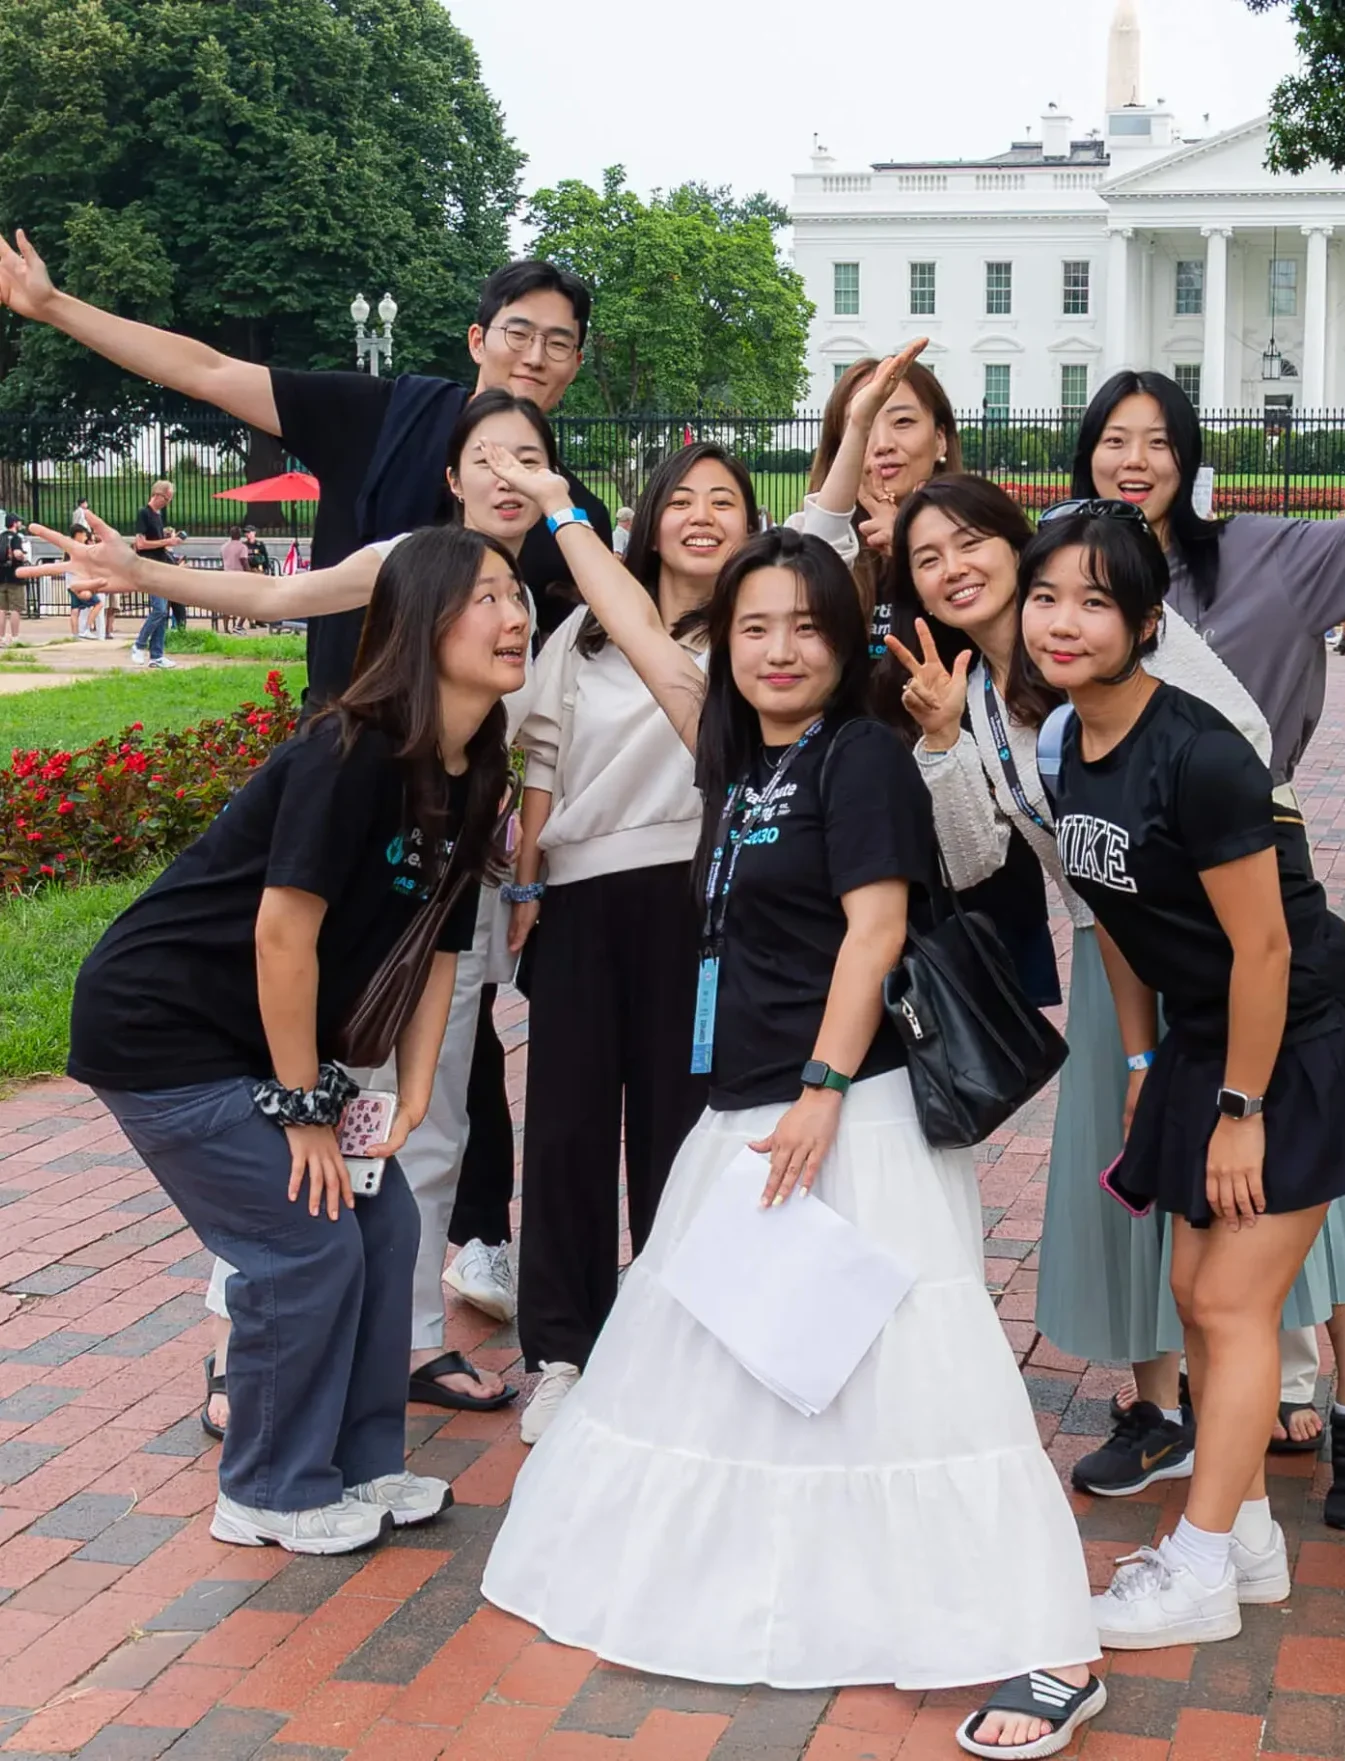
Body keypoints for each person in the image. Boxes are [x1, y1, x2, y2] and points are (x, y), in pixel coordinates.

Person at [475, 481, 1106, 1757]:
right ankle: (794, 1597)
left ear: (844, 639)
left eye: (804, 628)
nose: (776, 649)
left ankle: (1053, 1648)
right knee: (734, 1366)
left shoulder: (859, 757)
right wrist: (561, 518)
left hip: (848, 1113)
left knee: (920, 1384)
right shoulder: (737, 751)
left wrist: (823, 1090)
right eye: (753, 628)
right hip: (744, 1110)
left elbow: (875, 928)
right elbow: (643, 633)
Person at [37, 391, 559, 1419]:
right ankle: (256, 1374)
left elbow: (470, 877)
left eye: (531, 457)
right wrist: (139, 571)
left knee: (415, 1151)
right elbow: (284, 602)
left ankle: (393, 1371)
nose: (509, 474)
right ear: (450, 477)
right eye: (486, 456)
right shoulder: (404, 583)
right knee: (294, 1196)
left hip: (421, 901)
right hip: (304, 933)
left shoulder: (544, 591)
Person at [1071, 368, 1345, 1509]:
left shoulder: (1268, 559)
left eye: (1156, 441)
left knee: (1300, 1162)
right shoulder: (1069, 575)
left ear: (1189, 457)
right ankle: (1173, 1407)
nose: (1133, 460)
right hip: (1129, 910)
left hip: (1249, 897)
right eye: (1112, 440)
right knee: (1163, 1174)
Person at [67, 523, 529, 1553]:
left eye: (517, 597)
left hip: (259, 1045)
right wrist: (305, 1108)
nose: (515, 617)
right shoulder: (351, 750)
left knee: (387, 1227)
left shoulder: (473, 770)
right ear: (418, 623)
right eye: (486, 597)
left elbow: (440, 946)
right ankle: (267, 1489)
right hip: (166, 1028)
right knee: (301, 1243)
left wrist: (410, 1093)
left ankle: (359, 1468)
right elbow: (285, 932)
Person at [1022, 503, 1345, 1653]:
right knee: (1198, 1299)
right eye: (1046, 595)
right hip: (1209, 1040)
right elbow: (1121, 921)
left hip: (1299, 1041)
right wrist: (1150, 1061)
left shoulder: (1201, 753)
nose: (1063, 622)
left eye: (1096, 602)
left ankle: (1198, 1569)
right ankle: (1242, 1538)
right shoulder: (1065, 745)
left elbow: (1266, 947)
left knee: (1233, 1303)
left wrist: (1242, 1112)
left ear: (1148, 625)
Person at [886, 475, 1276, 1501]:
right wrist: (936, 743)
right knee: (1138, 1176)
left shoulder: (1099, 618)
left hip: (1211, 934)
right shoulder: (966, 693)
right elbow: (974, 860)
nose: (954, 568)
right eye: (927, 559)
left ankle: (1319, 1389)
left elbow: (1246, 743)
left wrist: (1173, 866)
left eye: (970, 542)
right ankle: (1165, 1406)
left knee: (1266, 1167)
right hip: (1112, 954)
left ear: (1017, 549)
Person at [0, 232, 612, 699]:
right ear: (479, 340)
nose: (535, 357)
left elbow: (569, 675)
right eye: (519, 333)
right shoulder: (382, 416)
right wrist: (53, 307)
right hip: (343, 735)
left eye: (558, 343)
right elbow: (208, 372)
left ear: (575, 362)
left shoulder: (577, 520)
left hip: (466, 775)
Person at [503, 442, 755, 1444]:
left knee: (679, 1128)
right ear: (648, 522)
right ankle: (562, 1353)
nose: (702, 515)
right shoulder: (585, 636)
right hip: (578, 900)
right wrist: (525, 879)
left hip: (699, 904)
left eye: (725, 500)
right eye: (681, 499)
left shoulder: (758, 629)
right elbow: (539, 758)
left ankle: (666, 1339)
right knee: (563, 1130)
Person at [803, 350, 960, 656]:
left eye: (902, 421)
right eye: (861, 428)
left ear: (940, 438)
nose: (883, 445)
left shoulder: (982, 533)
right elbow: (810, 570)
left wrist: (908, 545)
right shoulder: (808, 535)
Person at [130, 479, 180, 668]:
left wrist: (167, 540)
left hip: (159, 565)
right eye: (167, 498)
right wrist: (166, 543)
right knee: (159, 609)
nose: (167, 502)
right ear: (158, 495)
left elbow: (154, 542)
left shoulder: (157, 516)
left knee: (163, 612)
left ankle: (157, 655)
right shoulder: (144, 513)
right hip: (149, 566)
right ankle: (139, 645)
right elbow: (141, 544)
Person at [0, 514, 27, 645]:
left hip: (1, 577)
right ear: (15, 523)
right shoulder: (16, 538)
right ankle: (15, 637)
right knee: (15, 608)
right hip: (14, 577)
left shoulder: (0, 537)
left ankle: (1, 638)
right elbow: (17, 553)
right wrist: (23, 557)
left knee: (2, 609)